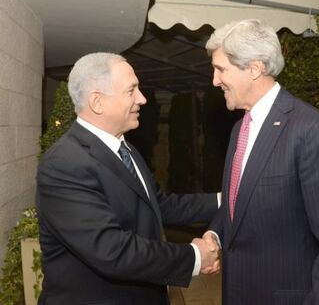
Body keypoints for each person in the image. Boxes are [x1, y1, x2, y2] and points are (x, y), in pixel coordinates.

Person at [36, 52, 220, 305]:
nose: (142, 99)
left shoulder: (125, 148)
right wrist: (194, 256)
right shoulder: (64, 164)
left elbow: (158, 205)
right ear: (97, 102)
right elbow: (111, 250)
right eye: (131, 90)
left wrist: (225, 200)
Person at [202, 19, 319, 304]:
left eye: (221, 69)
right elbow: (239, 202)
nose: (214, 80)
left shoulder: (312, 130)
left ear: (254, 68)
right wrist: (216, 232)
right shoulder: (240, 128)